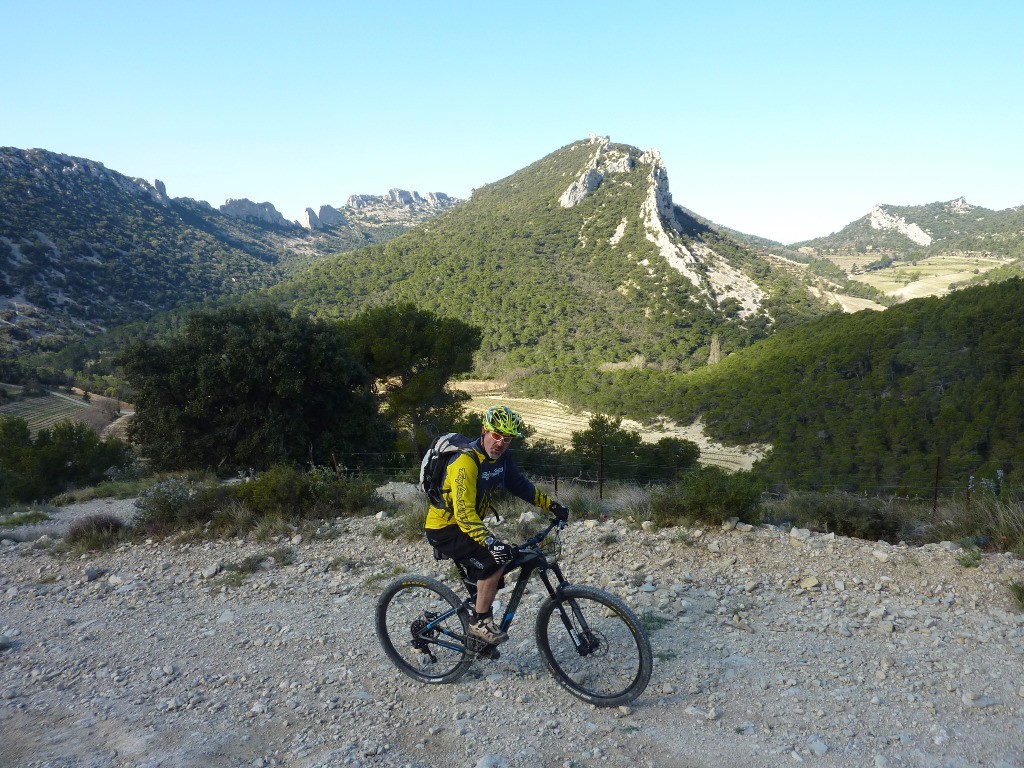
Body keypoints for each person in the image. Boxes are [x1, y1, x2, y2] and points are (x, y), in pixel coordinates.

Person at [424, 405, 569, 647]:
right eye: (497, 435)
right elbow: (464, 513)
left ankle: (478, 633)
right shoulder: (465, 462)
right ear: (484, 431)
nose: (500, 443)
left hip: (468, 526)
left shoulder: (502, 459)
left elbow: (521, 486)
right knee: (494, 559)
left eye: (508, 438)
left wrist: (551, 506)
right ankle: (479, 622)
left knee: (499, 560)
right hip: (445, 529)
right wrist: (491, 542)